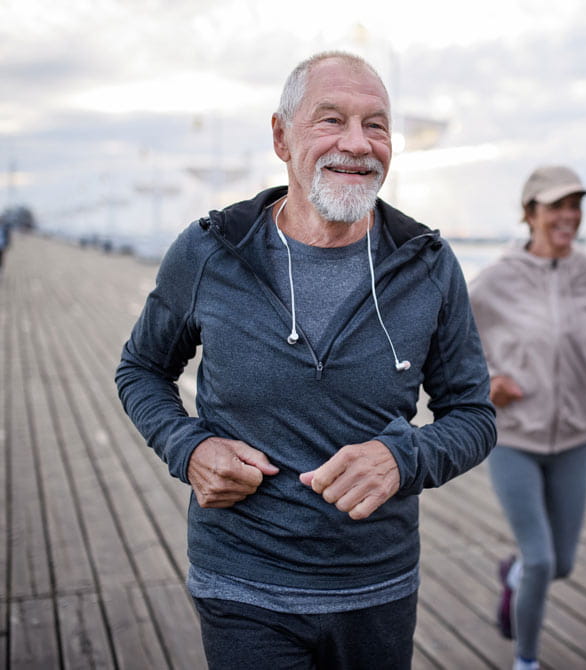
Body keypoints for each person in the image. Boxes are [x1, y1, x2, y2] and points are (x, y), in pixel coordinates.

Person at [115, 51, 496, 670]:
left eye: (376, 125)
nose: (358, 143)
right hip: (242, 582)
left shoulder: (427, 263)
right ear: (280, 137)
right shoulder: (212, 252)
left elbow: (473, 416)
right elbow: (141, 370)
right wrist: (189, 448)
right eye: (331, 120)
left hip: (379, 587)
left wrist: (405, 457)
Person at [469, 165, 586, 670]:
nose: (568, 216)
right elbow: (454, 349)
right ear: (530, 214)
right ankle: (526, 661)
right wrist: (487, 381)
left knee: (561, 563)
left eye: (576, 205)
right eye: (556, 206)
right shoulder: (493, 282)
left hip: (576, 436)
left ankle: (512, 577)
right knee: (542, 560)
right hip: (514, 438)